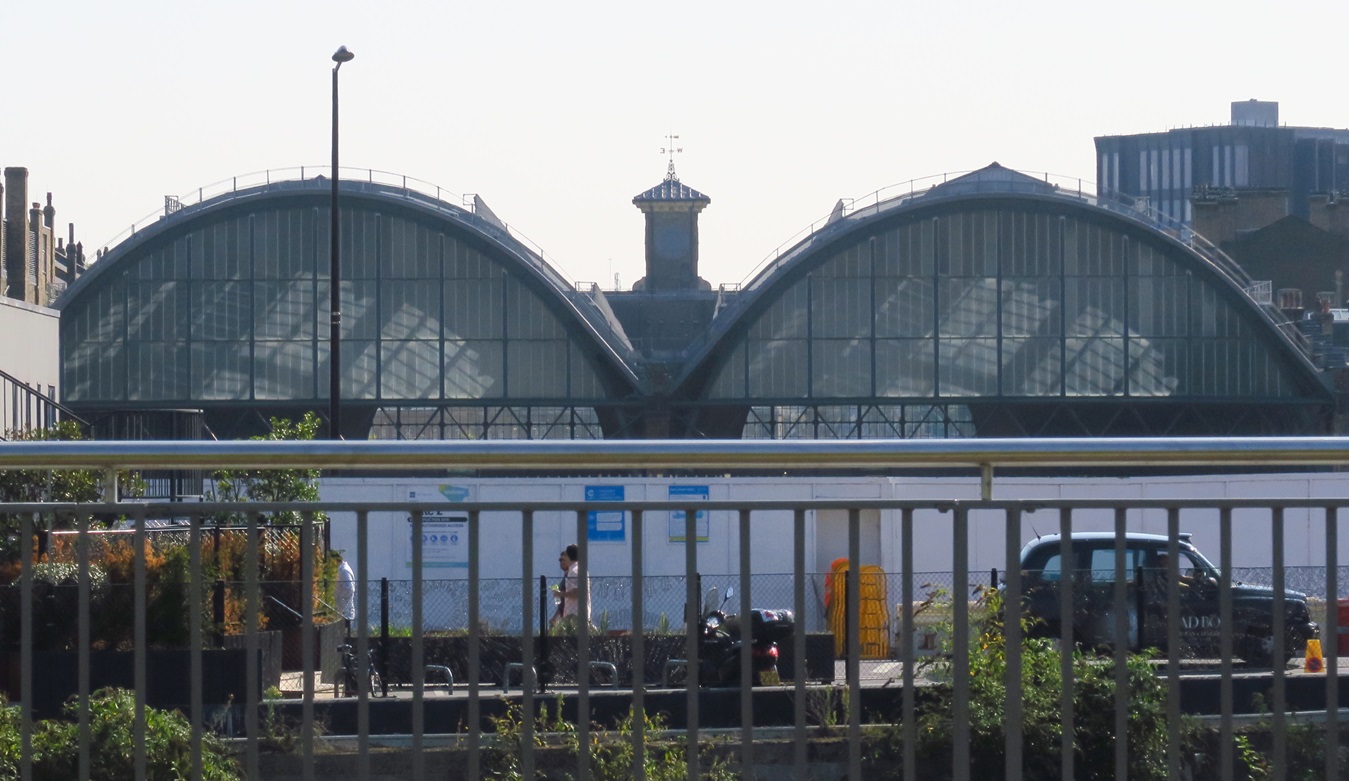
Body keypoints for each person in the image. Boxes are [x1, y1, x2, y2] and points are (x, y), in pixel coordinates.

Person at [550, 544, 590, 630]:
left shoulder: (574, 571)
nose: (563, 559)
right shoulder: (577, 569)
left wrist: (560, 594)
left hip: (575, 615)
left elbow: (578, 592)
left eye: (565, 556)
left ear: (568, 556)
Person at [335, 552, 356, 632]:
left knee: (345, 633)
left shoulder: (344, 571)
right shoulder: (341, 569)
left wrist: (338, 593)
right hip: (342, 608)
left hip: (345, 609)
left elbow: (350, 588)